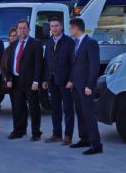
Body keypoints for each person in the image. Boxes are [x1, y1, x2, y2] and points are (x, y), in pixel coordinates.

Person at [68, 18, 103, 155]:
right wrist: (71, 80)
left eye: (71, 28)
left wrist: (90, 85)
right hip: (76, 86)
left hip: (86, 87)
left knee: (89, 115)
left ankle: (96, 144)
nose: (70, 31)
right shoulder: (76, 43)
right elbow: (75, 65)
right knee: (81, 114)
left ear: (76, 28)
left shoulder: (90, 43)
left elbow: (94, 67)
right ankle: (84, 139)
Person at [5, 19, 43, 141]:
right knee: (18, 108)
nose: (22, 30)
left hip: (30, 82)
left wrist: (36, 81)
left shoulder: (36, 43)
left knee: (33, 108)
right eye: (20, 28)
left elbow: (39, 64)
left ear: (29, 29)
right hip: (16, 81)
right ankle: (18, 130)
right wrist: (9, 78)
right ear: (17, 30)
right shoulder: (14, 44)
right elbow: (10, 63)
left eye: (24, 28)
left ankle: (36, 133)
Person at [42, 17, 76, 145]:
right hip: (52, 81)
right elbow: (46, 62)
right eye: (52, 26)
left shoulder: (69, 42)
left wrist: (71, 80)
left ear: (61, 27)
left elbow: (74, 63)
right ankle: (57, 134)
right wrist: (45, 79)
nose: (54, 28)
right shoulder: (49, 42)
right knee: (55, 109)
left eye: (56, 26)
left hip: (65, 82)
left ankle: (68, 136)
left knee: (68, 110)